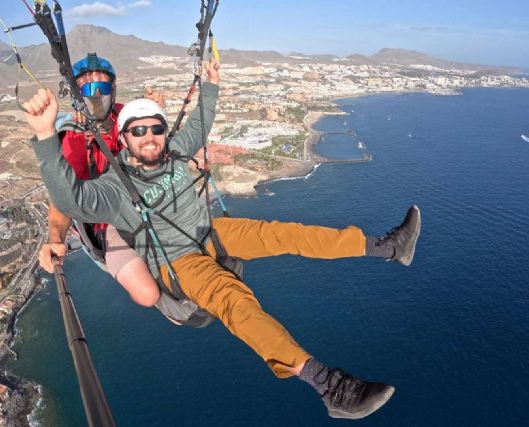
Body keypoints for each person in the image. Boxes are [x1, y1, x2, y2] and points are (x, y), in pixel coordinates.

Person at [24, 58, 422, 420]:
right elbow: (70, 198)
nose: (149, 137)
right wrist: (46, 139)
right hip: (179, 260)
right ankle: (328, 386)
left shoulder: (173, 153)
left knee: (287, 234)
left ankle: (386, 247)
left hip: (210, 232)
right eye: (138, 131)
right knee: (235, 301)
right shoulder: (115, 188)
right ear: (123, 141)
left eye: (156, 129)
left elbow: (199, 125)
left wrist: (211, 86)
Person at [38, 53, 164, 307]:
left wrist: (154, 114)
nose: (96, 95)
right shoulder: (74, 141)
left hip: (145, 202)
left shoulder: (125, 117)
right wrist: (55, 239)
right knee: (147, 294)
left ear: (113, 90)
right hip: (109, 220)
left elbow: (154, 149)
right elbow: (62, 198)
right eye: (88, 88)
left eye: (102, 87)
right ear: (76, 95)